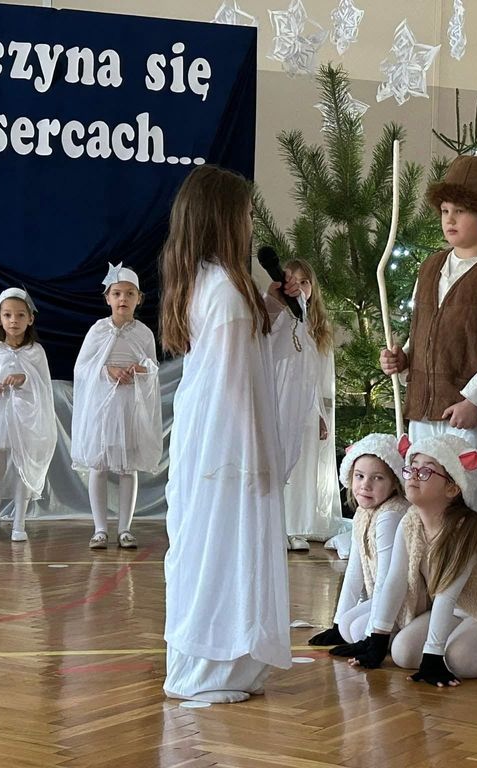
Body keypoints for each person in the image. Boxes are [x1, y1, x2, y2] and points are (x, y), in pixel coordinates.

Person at [159, 165, 303, 703]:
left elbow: (239, 360)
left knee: (211, 546)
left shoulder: (210, 282)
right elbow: (234, 384)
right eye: (244, 214)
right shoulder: (224, 292)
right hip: (228, 440)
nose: (250, 224)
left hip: (210, 434)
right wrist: (255, 455)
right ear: (224, 220)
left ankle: (219, 662)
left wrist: (268, 308)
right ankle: (212, 668)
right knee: (223, 546)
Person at [379, 155, 477, 526]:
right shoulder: (430, 267)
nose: (450, 219)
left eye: (461, 210)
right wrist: (403, 359)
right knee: (423, 508)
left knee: (472, 509)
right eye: (444, 210)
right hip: (424, 412)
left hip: (470, 421)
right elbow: (423, 333)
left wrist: (476, 400)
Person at [342, 434, 477, 685]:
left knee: (460, 660)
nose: (413, 476)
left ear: (452, 488)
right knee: (402, 652)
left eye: (425, 472)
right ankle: (458, 642)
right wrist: (377, 638)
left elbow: (446, 592)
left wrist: (433, 655)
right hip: (455, 610)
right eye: (412, 468)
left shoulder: (466, 530)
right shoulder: (410, 521)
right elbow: (395, 580)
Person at [71, 265, 162, 550]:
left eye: (130, 294)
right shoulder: (98, 330)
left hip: (130, 409)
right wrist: (107, 370)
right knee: (98, 466)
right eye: (117, 293)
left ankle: (125, 529)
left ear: (139, 299)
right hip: (103, 409)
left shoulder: (144, 333)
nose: (123, 298)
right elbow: (82, 368)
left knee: (127, 468)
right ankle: (100, 529)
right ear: (108, 298)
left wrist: (141, 370)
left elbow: (152, 367)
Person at [0, 288, 57, 543]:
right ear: (0, 319)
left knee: (21, 469)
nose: (13, 320)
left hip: (25, 421)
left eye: (20, 315)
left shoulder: (36, 352)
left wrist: (24, 379)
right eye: (7, 315)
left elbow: (43, 386)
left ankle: (19, 524)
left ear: (30, 319)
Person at [308, 433, 408, 646]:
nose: (365, 485)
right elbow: (355, 571)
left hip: (404, 601)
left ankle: (396, 635)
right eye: (359, 476)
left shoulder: (390, 515)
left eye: (377, 478)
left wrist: (375, 635)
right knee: (346, 626)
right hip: (380, 598)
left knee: (355, 631)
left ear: (394, 483)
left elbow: (386, 580)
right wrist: (336, 624)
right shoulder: (364, 512)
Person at [280, 258, 344, 552]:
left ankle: (299, 526)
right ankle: (281, 525)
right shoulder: (279, 319)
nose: (299, 287)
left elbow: (323, 374)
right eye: (293, 281)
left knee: (304, 464)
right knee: (284, 463)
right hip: (283, 402)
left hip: (311, 406)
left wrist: (323, 413)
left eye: (304, 282)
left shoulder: (319, 326)